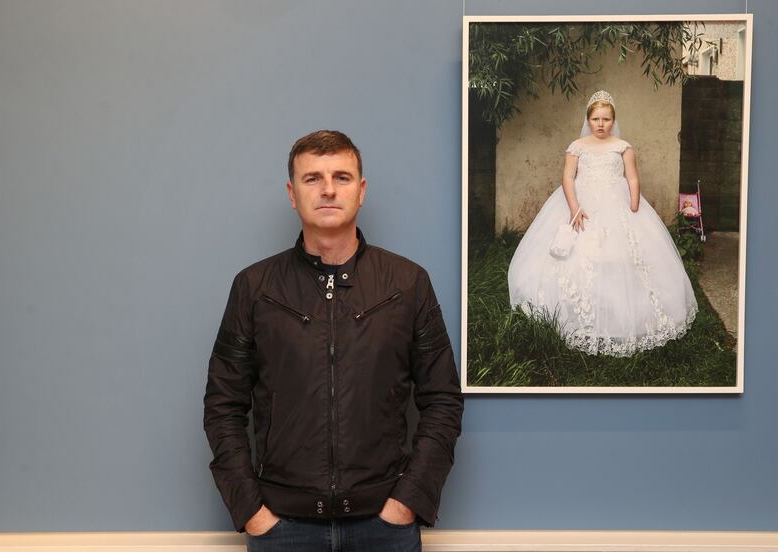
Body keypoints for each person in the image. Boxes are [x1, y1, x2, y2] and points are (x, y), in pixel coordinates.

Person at [203, 130, 463, 551]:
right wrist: (251, 511)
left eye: (341, 177)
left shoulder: (408, 283)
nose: (328, 189)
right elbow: (222, 406)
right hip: (281, 528)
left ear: (361, 191)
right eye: (312, 178)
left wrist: (407, 501)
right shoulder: (254, 288)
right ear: (292, 193)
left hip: (385, 527)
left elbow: (443, 400)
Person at [507, 91, 698, 357]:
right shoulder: (577, 146)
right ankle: (578, 309)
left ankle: (621, 309)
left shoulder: (623, 147)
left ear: (613, 120)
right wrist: (575, 207)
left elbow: (632, 178)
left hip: (617, 203)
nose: (600, 124)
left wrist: (633, 202)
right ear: (588, 120)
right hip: (582, 203)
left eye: (606, 119)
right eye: (596, 118)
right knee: (583, 254)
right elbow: (568, 178)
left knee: (622, 253)